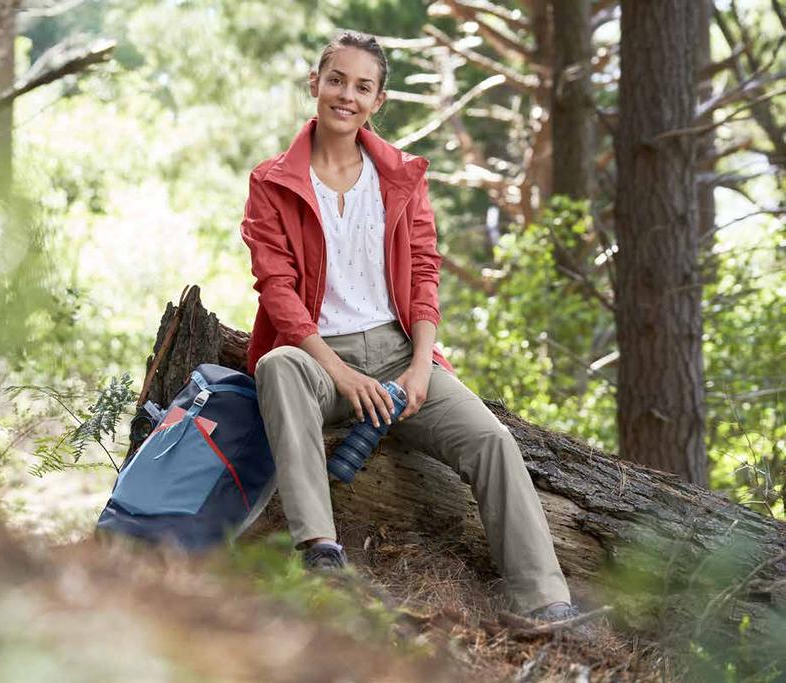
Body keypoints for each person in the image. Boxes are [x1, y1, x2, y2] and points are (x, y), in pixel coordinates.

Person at [239, 30, 578, 621]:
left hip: (401, 354)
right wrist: (341, 374)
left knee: (493, 441)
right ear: (314, 85)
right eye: (336, 80)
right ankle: (320, 551)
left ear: (378, 101)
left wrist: (421, 367)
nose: (346, 95)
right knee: (275, 367)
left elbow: (424, 272)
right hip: (317, 358)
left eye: (362, 86)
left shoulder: (402, 177)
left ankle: (544, 602)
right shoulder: (272, 182)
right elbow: (279, 293)